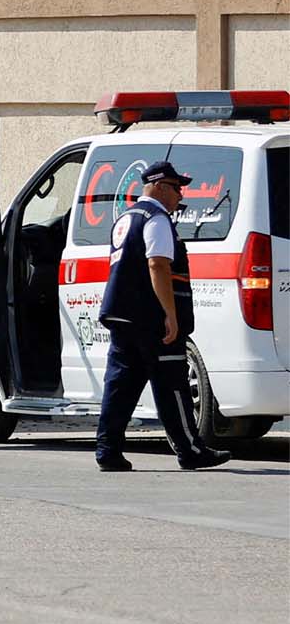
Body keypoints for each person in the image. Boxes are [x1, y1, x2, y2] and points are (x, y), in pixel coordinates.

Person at [95, 160, 230, 472]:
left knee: (120, 386)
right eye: (175, 188)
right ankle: (191, 451)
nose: (180, 195)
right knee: (172, 385)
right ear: (157, 186)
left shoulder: (125, 219)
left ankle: (108, 451)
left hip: (122, 314)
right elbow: (157, 265)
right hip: (150, 318)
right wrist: (169, 314)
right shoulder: (156, 219)